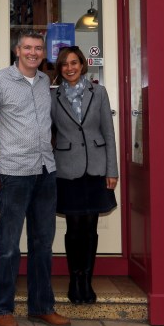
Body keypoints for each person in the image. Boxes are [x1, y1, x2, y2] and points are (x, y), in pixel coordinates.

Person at [0, 30, 71, 326]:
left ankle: (41, 307)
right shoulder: (0, 80)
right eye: (27, 47)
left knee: (43, 244)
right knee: (8, 245)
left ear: (44, 53)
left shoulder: (45, 82)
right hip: (13, 174)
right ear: (17, 50)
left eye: (38, 48)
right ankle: (2, 308)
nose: (33, 52)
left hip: (46, 172)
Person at [50, 46, 118, 305]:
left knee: (90, 228)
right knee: (73, 227)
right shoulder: (53, 97)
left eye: (74, 63)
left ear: (82, 65)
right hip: (67, 169)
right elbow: (47, 131)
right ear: (60, 68)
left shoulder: (98, 92)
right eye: (65, 64)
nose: (70, 68)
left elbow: (108, 133)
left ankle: (87, 281)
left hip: (97, 168)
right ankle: (74, 279)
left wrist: (112, 170)